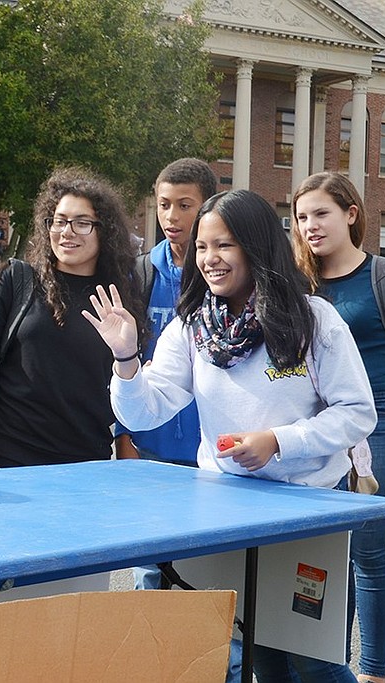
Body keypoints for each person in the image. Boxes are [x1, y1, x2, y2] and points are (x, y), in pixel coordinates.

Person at [87, 188, 377, 682]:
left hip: (307, 510)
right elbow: (145, 411)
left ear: (256, 246)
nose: (209, 259)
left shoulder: (314, 320)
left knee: (312, 657)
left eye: (224, 245)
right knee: (257, 648)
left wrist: (279, 441)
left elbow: (356, 413)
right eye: (202, 247)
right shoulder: (191, 328)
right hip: (229, 512)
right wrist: (126, 358)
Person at [291, 172, 385, 683]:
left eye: (321, 213)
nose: (310, 225)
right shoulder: (296, 281)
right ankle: (328, 666)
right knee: (324, 557)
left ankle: (374, 674)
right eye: (301, 217)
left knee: (369, 554)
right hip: (316, 425)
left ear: (351, 214)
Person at [0, 167, 147, 471]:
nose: (67, 232)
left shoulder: (120, 297)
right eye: (59, 221)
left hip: (86, 460)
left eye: (82, 223)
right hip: (11, 456)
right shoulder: (17, 279)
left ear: (104, 230)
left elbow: (128, 382)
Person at [116, 159, 217, 592]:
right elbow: (120, 358)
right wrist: (123, 437)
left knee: (209, 575)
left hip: (212, 450)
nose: (172, 217)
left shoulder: (223, 275)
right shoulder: (139, 273)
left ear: (208, 206)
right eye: (163, 205)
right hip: (150, 446)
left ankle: (221, 662)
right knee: (149, 572)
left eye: (184, 205)